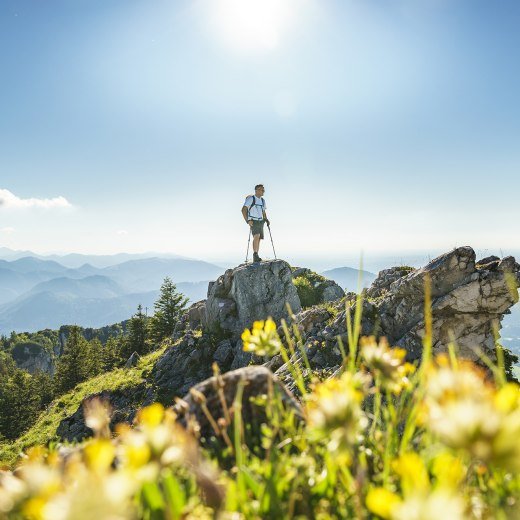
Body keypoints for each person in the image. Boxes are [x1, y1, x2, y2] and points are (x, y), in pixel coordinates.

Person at [242, 184, 270, 262]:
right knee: (256, 236)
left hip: (261, 221)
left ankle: (256, 254)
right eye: (262, 190)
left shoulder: (262, 200)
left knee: (259, 238)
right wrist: (248, 221)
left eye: (263, 190)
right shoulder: (251, 199)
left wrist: (266, 219)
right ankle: (255, 255)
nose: (263, 191)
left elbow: (263, 211)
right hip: (253, 221)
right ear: (257, 190)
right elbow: (243, 209)